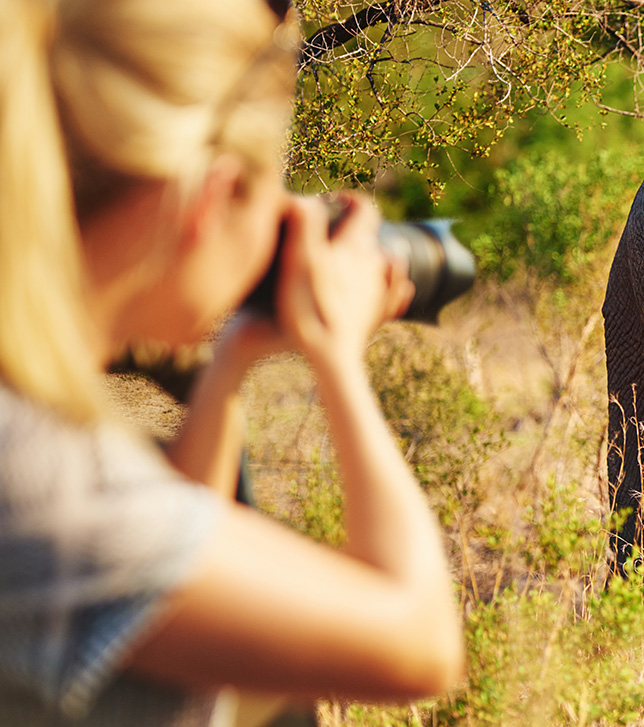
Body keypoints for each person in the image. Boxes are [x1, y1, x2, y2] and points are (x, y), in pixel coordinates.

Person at [0, 0, 465, 725]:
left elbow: (167, 546)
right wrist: (337, 356)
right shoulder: (36, 477)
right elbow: (421, 638)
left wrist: (229, 367)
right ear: (207, 199)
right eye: (271, 190)